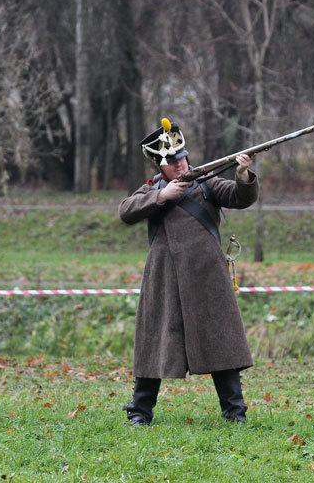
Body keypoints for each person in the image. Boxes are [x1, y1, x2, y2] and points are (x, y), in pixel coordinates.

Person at [118, 118, 258, 425]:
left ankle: (235, 412)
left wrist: (244, 174)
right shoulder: (153, 189)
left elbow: (240, 196)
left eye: (182, 158)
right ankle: (140, 411)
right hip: (164, 277)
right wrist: (162, 196)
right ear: (161, 166)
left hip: (207, 276)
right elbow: (126, 211)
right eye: (173, 161)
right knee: (153, 344)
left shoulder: (207, 183)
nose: (180, 164)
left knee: (222, 343)